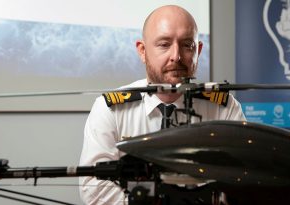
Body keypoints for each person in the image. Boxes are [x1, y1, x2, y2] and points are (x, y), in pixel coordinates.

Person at [79, 5, 246, 204]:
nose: (176, 56)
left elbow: (243, 177)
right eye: (164, 44)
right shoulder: (111, 108)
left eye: (186, 45)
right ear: (142, 51)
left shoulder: (224, 108)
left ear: (198, 50)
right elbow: (93, 186)